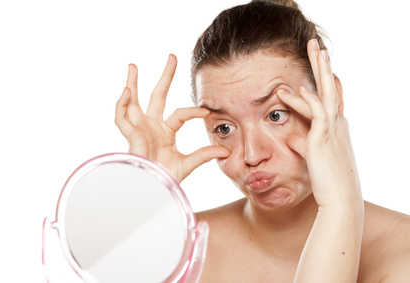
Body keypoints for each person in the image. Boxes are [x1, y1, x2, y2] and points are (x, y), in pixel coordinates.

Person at [115, 0, 410, 281]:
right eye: (225, 128)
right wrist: (142, 202)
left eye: (276, 115)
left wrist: (340, 204)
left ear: (330, 98)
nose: (252, 155)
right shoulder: (183, 250)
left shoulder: (401, 253)